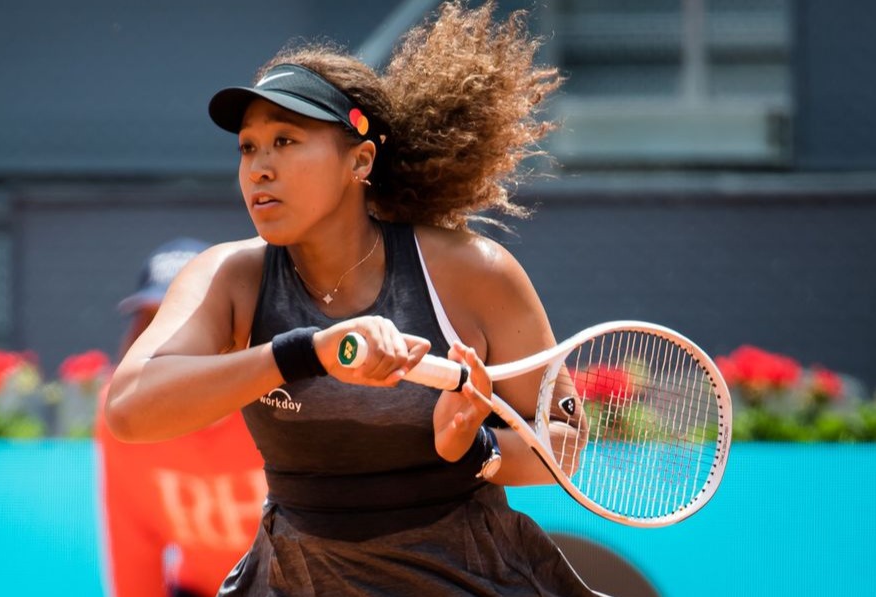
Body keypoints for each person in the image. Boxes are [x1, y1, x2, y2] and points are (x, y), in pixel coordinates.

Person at [107, 2, 598, 595]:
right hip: (296, 578)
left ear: (360, 159)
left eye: (285, 141)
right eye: (247, 148)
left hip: (473, 576)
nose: (259, 168)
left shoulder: (473, 271)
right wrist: (306, 352)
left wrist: (475, 447)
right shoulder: (229, 276)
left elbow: (564, 445)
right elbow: (129, 410)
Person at [95, 238, 267, 597]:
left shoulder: (278, 396)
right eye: (151, 320)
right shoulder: (124, 415)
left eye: (181, 319)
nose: (161, 342)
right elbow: (133, 552)